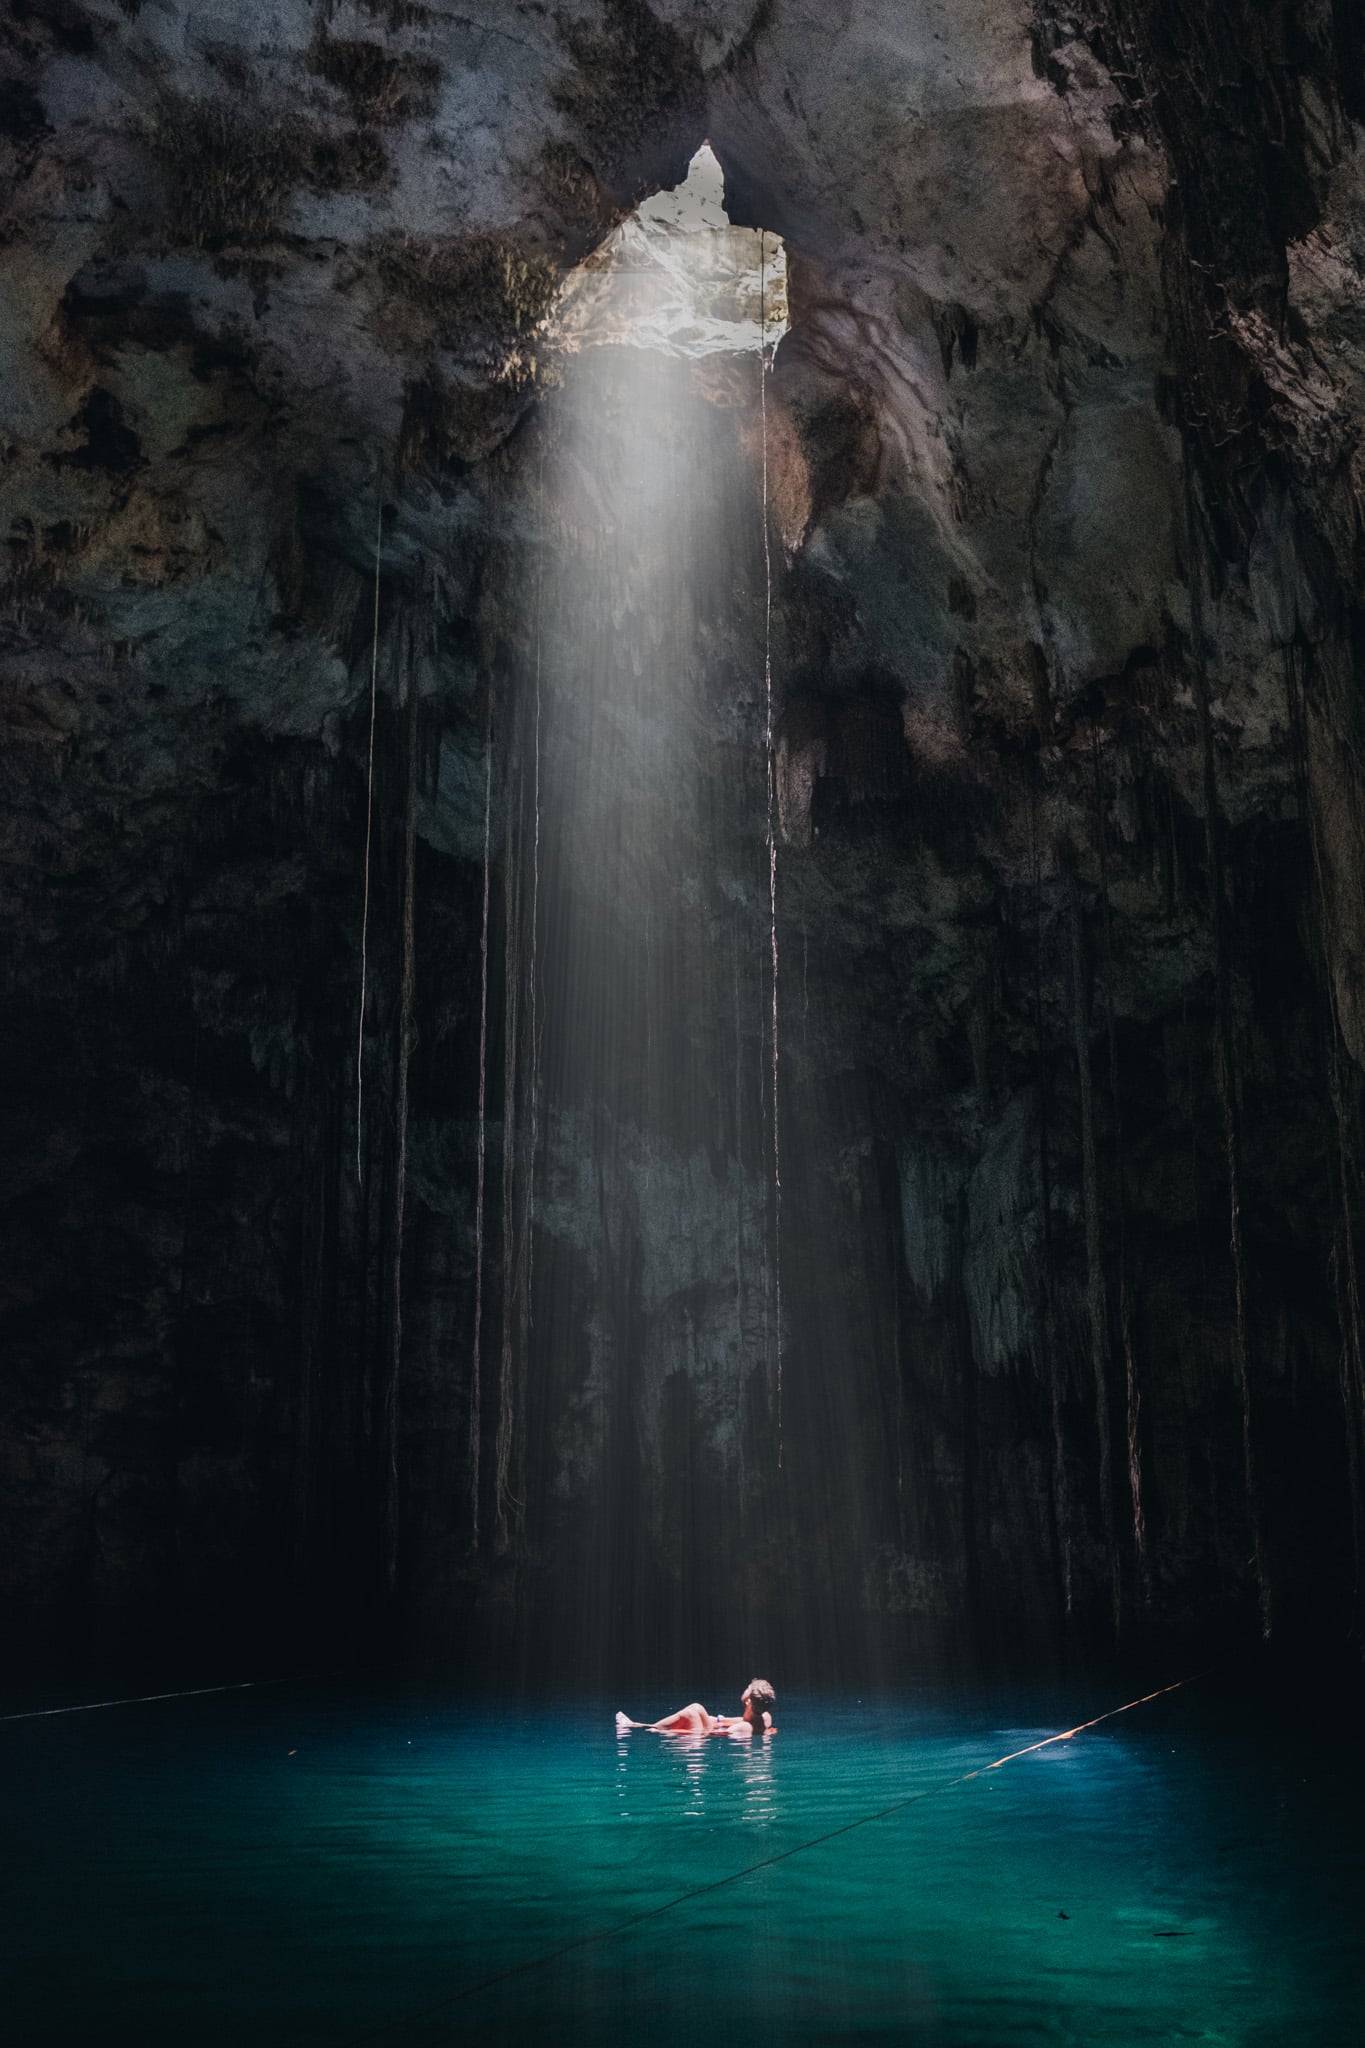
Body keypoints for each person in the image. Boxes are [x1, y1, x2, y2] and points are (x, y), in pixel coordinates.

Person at [616, 1678, 776, 1735]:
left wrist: (671, 1732)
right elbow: (741, 1720)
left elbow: (710, 1734)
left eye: (747, 1688)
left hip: (702, 1736)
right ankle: (645, 1726)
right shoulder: (765, 1717)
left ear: (748, 1701)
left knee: (694, 1710)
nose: (745, 1688)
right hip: (710, 1731)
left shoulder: (742, 1728)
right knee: (698, 1709)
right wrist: (718, 1719)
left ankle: (643, 1727)